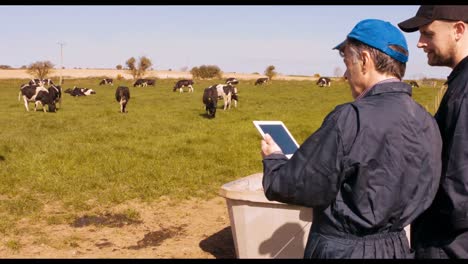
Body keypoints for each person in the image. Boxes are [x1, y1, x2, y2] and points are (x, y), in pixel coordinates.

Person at [260, 19, 442, 259]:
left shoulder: (350, 117)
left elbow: (295, 187)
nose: (345, 74)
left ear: (364, 60)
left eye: (347, 62)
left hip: (343, 249)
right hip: (398, 247)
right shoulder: (426, 120)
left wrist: (274, 160)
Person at [398, 5, 468, 259]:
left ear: (458, 30)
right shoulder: (460, 83)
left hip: (449, 243)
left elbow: (459, 188)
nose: (420, 43)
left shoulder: (464, 91)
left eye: (428, 34)